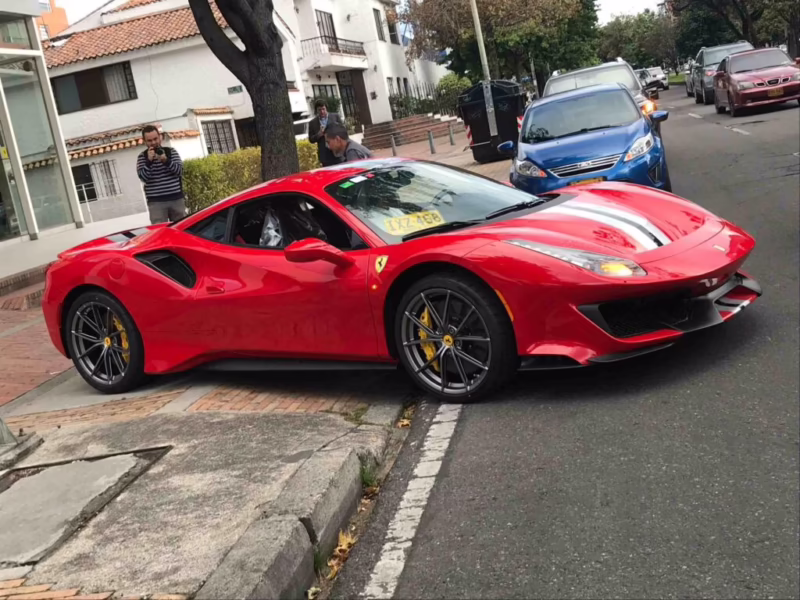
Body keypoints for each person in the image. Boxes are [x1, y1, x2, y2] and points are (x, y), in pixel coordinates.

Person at [136, 125, 185, 224]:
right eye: (149, 140)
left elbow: (180, 171)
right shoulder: (142, 157)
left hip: (176, 199)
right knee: (159, 232)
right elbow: (143, 178)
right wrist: (149, 162)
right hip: (156, 203)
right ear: (144, 141)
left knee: (182, 229)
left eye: (155, 139)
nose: (153, 142)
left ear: (160, 137)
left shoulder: (171, 152)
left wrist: (166, 161)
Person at [308, 99, 343, 167]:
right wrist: (319, 135)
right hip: (325, 155)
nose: (322, 111)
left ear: (326, 108)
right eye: (319, 110)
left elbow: (343, 130)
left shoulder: (335, 117)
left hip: (337, 151)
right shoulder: (312, 123)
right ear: (316, 110)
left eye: (323, 109)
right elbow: (311, 139)